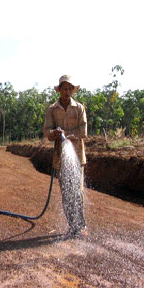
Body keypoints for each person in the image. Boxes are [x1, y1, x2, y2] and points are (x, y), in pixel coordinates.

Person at [43, 74, 88, 234]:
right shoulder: (52, 110)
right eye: (64, 88)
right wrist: (53, 134)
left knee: (77, 191)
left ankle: (81, 225)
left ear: (73, 91)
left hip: (77, 155)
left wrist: (66, 135)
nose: (67, 91)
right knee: (66, 192)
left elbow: (83, 131)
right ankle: (72, 225)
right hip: (60, 156)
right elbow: (46, 130)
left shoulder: (79, 108)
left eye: (70, 88)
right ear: (59, 90)